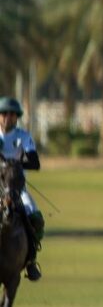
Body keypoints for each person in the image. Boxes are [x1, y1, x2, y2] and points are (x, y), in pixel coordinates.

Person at [0, 97, 44, 281]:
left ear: (17, 117)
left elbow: (35, 163)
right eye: (4, 113)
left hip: (17, 189)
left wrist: (14, 164)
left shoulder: (23, 137)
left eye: (12, 114)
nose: (8, 117)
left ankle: (31, 260)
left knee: (36, 218)